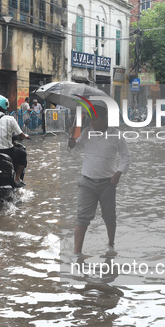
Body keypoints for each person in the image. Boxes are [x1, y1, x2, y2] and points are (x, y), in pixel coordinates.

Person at [68, 107, 131, 255]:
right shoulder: (86, 133)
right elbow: (74, 149)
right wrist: (71, 138)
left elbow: (126, 156)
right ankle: (77, 254)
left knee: (109, 216)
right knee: (82, 217)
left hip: (107, 183)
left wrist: (118, 174)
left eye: (95, 118)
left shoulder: (117, 136)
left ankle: (110, 244)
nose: (92, 121)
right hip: (87, 182)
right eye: (91, 119)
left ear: (105, 118)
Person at [0, 94, 30, 186]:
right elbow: (20, 135)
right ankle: (17, 177)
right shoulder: (10, 119)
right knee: (23, 153)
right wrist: (25, 136)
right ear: (5, 106)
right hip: (7, 151)